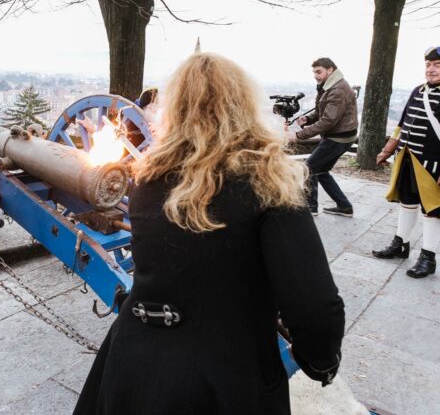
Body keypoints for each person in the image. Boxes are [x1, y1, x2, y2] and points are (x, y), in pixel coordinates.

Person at [73, 53, 345, 415]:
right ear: (245, 106)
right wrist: (319, 361)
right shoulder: (270, 186)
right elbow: (314, 305)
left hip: (133, 362)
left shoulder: (148, 180)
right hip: (227, 375)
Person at [371, 46, 440, 279]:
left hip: (433, 164)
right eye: (428, 65)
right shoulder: (417, 91)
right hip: (408, 158)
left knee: (433, 211)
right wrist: (387, 149)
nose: (431, 70)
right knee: (407, 202)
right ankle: (401, 244)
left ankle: (428, 258)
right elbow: (402, 125)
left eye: (437, 65)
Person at [287, 58, 359, 217]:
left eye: (319, 72)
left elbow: (328, 121)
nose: (316, 76)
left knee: (309, 168)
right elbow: (323, 112)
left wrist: (298, 135)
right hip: (341, 135)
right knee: (321, 171)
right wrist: (308, 119)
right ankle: (344, 206)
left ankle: (310, 207)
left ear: (330, 70)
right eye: (314, 72)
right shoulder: (329, 86)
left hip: (338, 138)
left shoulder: (337, 90)